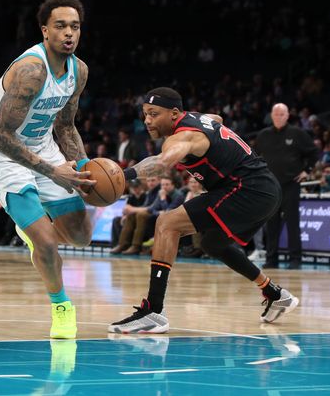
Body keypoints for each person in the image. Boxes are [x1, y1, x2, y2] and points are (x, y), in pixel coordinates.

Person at [108, 87, 298, 334]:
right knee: (213, 244)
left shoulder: (183, 136)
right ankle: (274, 293)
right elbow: (216, 119)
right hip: (265, 190)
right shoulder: (197, 118)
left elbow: (161, 163)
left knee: (167, 223)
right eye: (145, 114)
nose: (147, 120)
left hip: (248, 189)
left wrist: (121, 176)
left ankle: (153, 311)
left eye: (154, 114)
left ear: (175, 113)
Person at [0, 0, 95, 339]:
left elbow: (66, 126)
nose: (69, 33)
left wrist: (86, 167)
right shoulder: (31, 70)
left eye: (74, 26)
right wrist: (51, 171)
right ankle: (61, 307)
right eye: (60, 26)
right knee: (45, 242)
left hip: (44, 147)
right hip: (2, 153)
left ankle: (31, 228)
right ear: (45, 31)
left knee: (81, 236)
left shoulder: (79, 71)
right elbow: (1, 136)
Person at [255, 103, 317, 269]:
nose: (279, 116)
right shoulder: (263, 135)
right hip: (270, 186)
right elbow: (254, 156)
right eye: (276, 114)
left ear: (288, 115)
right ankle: (271, 259)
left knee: (292, 223)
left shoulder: (297, 133)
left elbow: (313, 152)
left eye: (282, 114)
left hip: (291, 184)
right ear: (272, 115)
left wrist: (307, 171)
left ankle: (295, 259)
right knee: (271, 224)